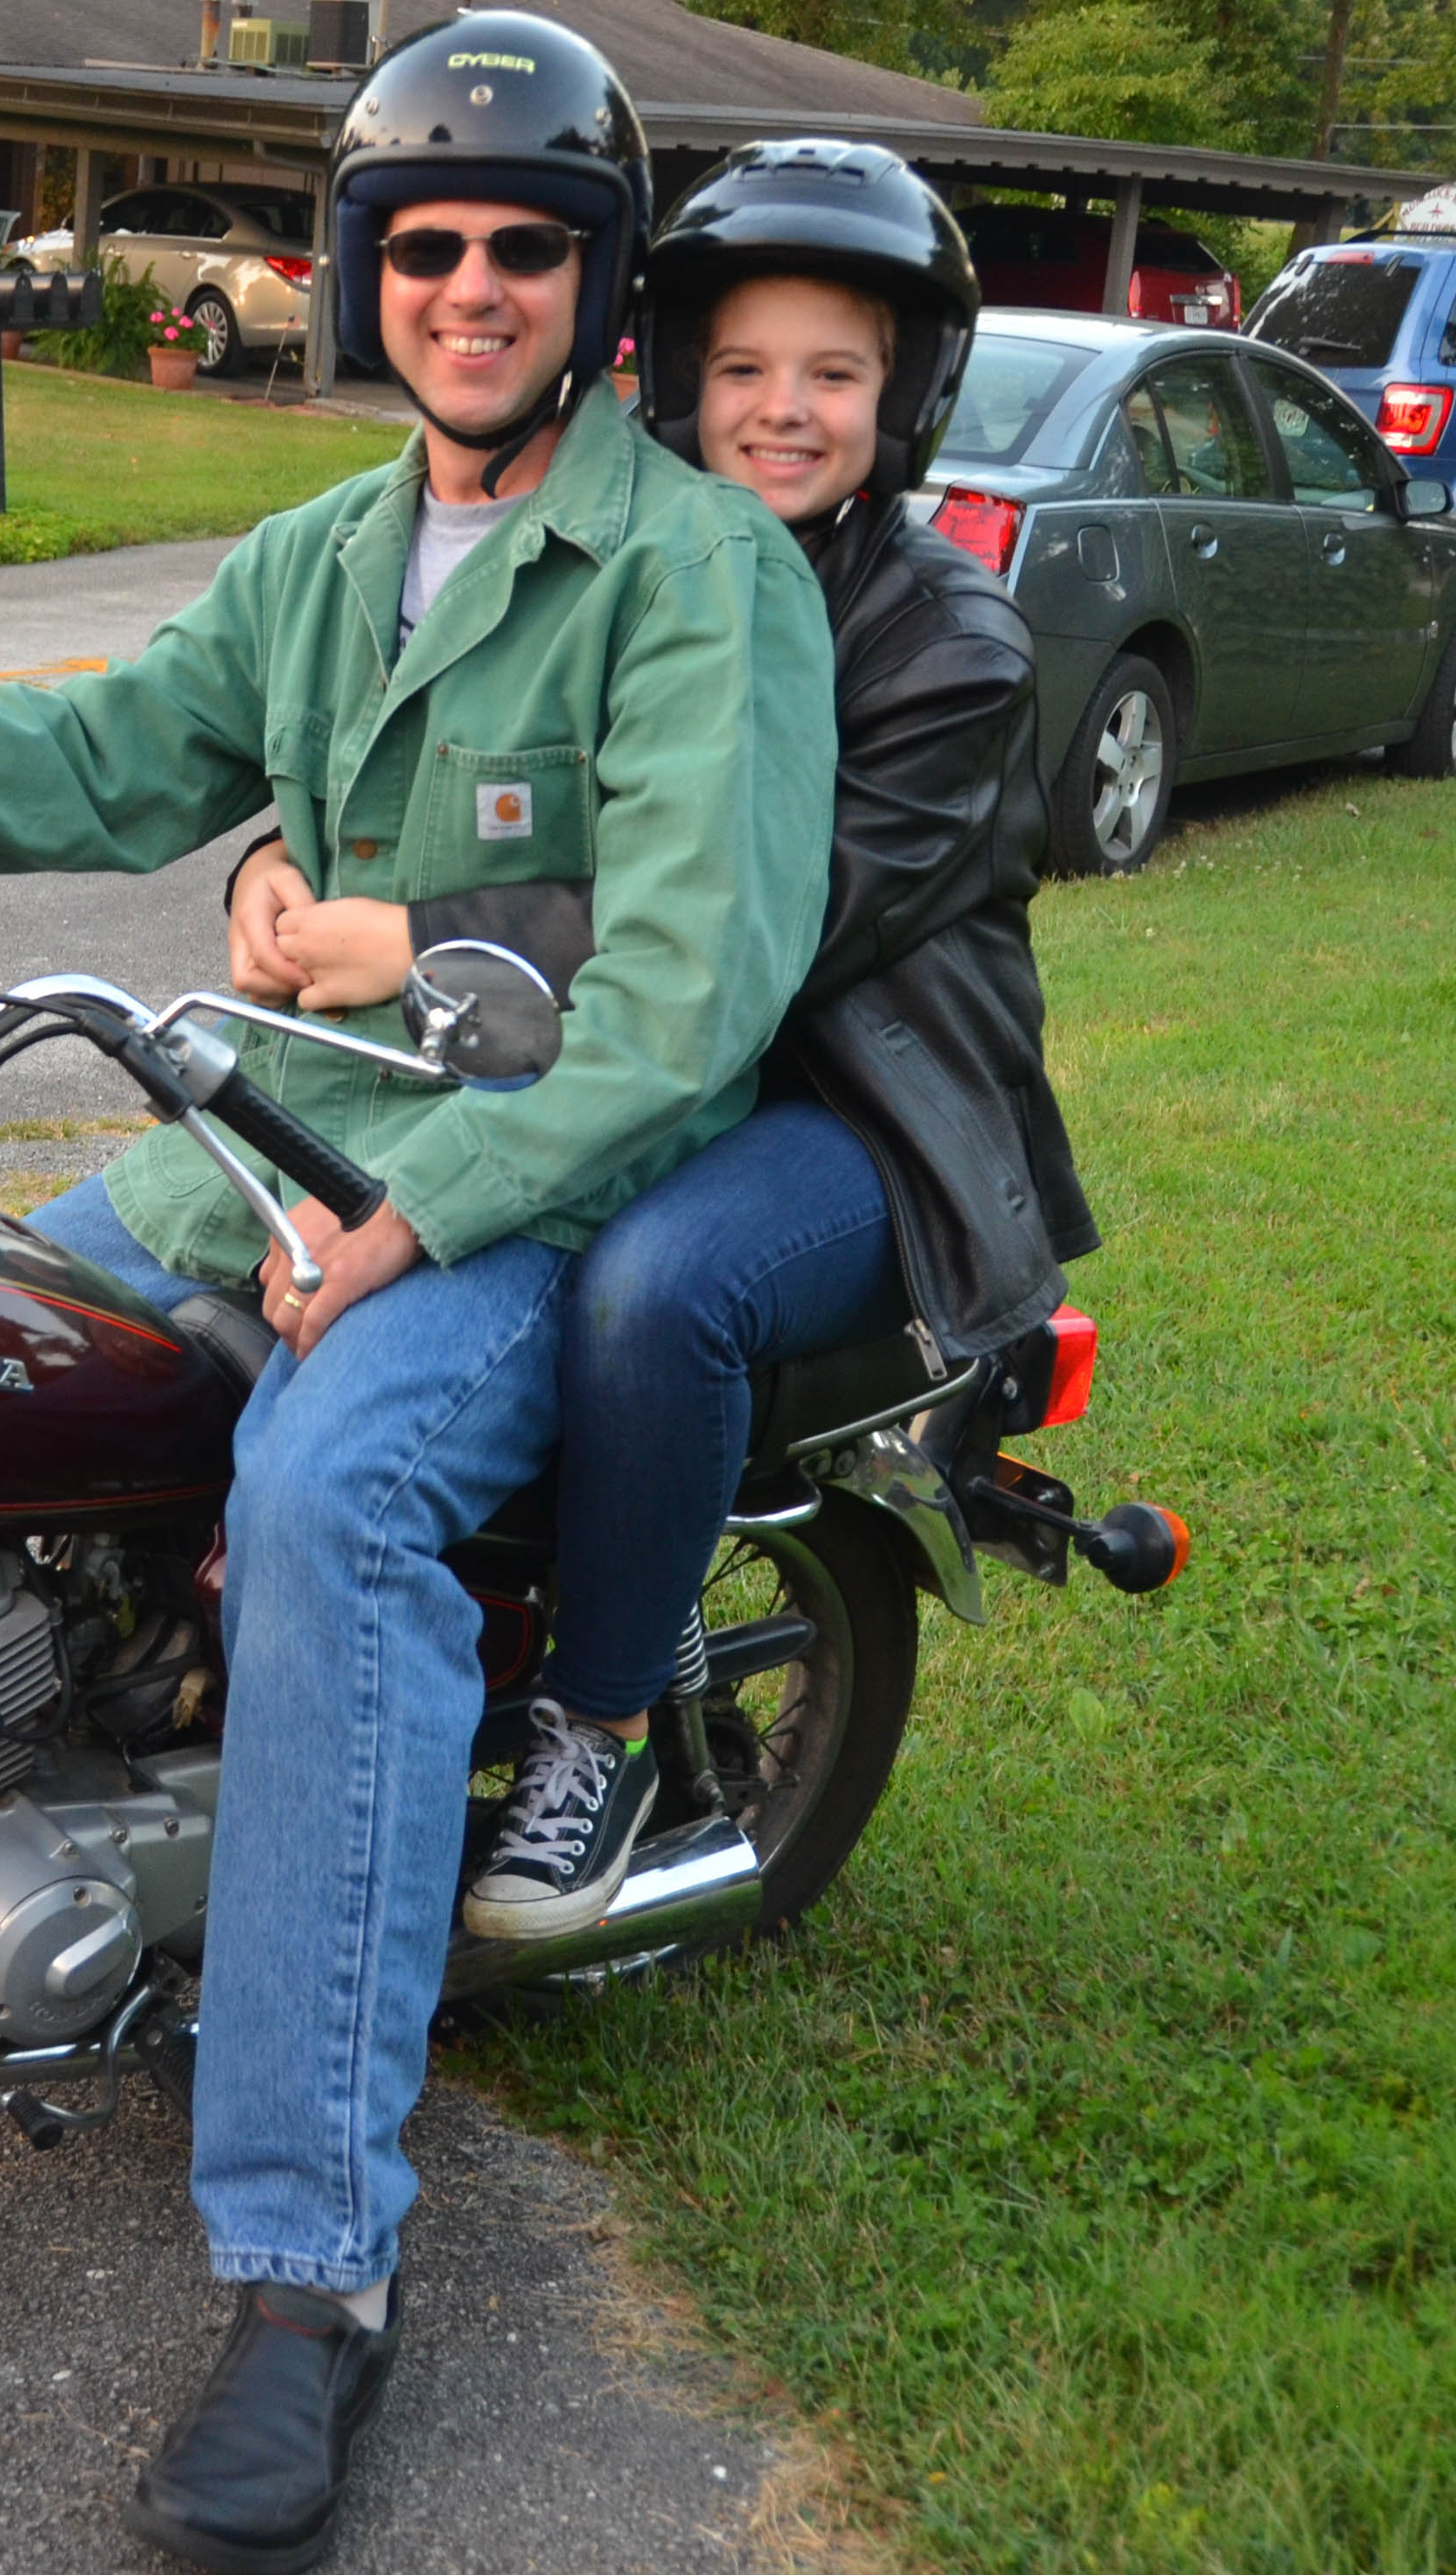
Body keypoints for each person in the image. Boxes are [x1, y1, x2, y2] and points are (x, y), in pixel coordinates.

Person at [0, 16, 838, 2574]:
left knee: (336, 1495)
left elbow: (683, 1000)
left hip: (510, 1194)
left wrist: (423, 1219)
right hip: (267, 1153)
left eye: (523, 247)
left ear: (598, 282)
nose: (470, 287)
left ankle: (313, 2268)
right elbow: (107, 754)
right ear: (365, 274)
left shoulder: (707, 576)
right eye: (426, 245)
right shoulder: (333, 558)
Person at [226, 140, 1099, 1942]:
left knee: (652, 1283)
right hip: (609, 1057)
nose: (783, 414)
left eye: (834, 376)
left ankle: (599, 1725)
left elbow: (762, 940)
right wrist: (282, 845)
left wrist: (424, 940)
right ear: (672, 376)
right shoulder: (635, 567)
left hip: (846, 1108)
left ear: (907, 395)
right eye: (742, 373)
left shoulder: (950, 642)